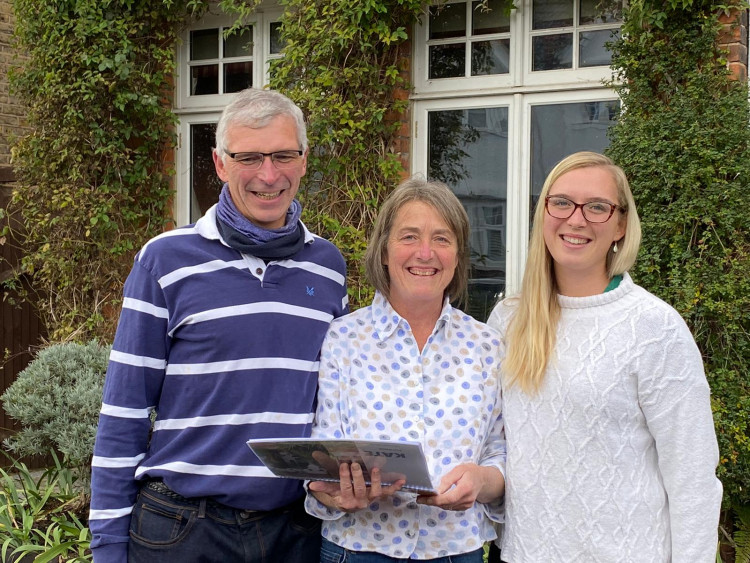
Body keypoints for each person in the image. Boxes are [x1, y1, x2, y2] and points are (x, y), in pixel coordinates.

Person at [88, 88, 349, 563]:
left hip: (295, 529)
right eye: (248, 157)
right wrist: (106, 544)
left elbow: (337, 401)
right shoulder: (165, 260)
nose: (268, 175)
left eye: (283, 155)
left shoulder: (328, 267)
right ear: (220, 163)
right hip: (183, 531)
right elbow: (124, 413)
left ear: (304, 160)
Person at [487, 151, 722, 562]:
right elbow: (491, 442)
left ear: (620, 224)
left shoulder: (654, 328)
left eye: (597, 207)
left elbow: (693, 478)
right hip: (522, 554)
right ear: (543, 213)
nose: (575, 219)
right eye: (561, 202)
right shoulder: (509, 319)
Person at [305, 177, 506, 562]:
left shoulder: (487, 346)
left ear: (459, 255)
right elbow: (322, 447)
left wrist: (481, 481)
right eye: (409, 237)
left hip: (454, 550)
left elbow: (500, 451)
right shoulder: (343, 338)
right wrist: (334, 491)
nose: (425, 253)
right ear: (384, 251)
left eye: (442, 239)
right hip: (359, 547)